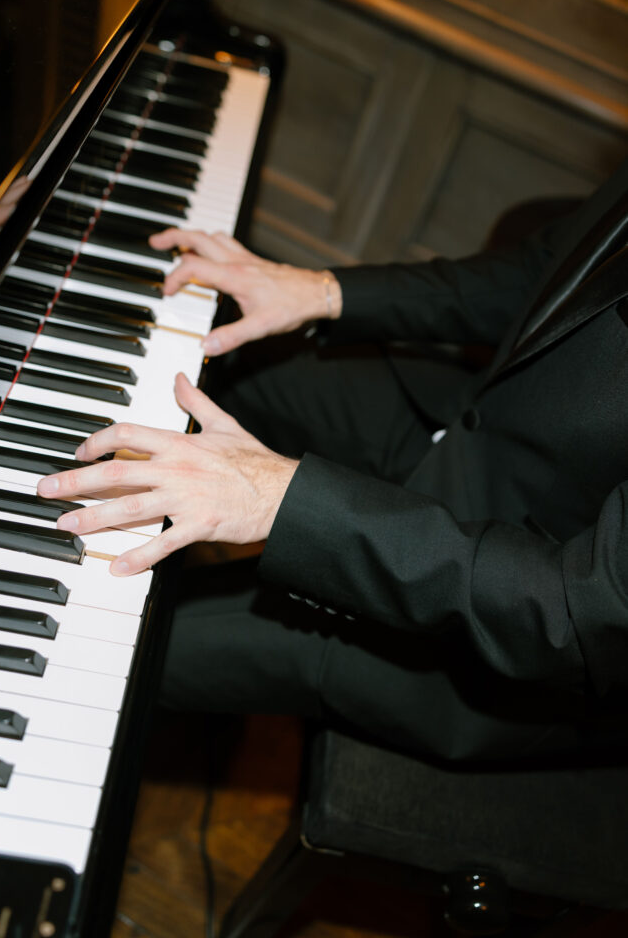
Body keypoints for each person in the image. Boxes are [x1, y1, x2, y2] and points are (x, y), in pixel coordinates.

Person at [36, 157, 628, 762]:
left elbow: (578, 610)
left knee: (98, 637)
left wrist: (280, 497)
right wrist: (325, 291)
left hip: (501, 630)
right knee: (190, 333)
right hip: (464, 425)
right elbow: (544, 272)